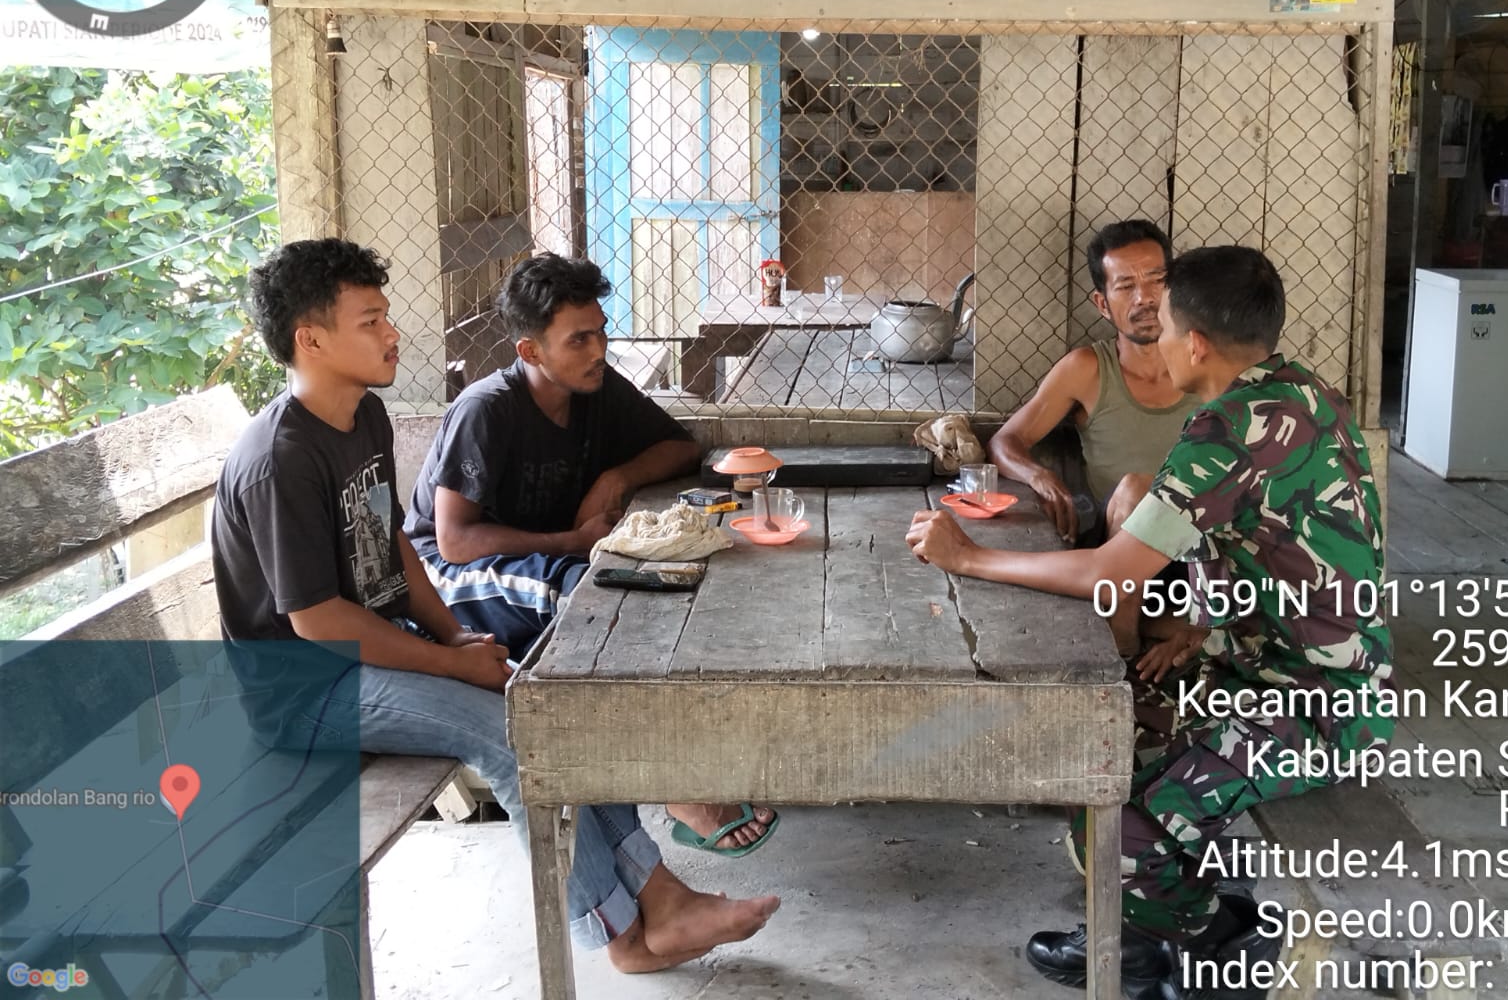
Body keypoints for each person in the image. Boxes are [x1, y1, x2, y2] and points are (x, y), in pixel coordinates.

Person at [211, 238, 780, 973]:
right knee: (511, 735)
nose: (392, 333)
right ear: (310, 339)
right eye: (370, 321)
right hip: (304, 691)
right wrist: (450, 663)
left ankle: (661, 900)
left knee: (553, 705)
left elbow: (395, 546)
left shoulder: (364, 418)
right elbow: (317, 621)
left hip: (375, 650)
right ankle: (624, 936)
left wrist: (456, 636)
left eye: (386, 315)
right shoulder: (280, 459)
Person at [907, 246, 1391, 998]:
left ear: (1194, 344)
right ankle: (1136, 938)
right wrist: (1201, 624)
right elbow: (1268, 544)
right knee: (1091, 736)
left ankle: (1214, 946)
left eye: (1162, 323)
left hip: (1316, 708)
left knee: (1130, 818)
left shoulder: (1228, 430)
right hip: (1259, 669)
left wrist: (967, 557)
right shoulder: (1301, 390)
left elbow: (1110, 573)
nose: (1154, 338)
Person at [404, 251, 778, 857]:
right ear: (530, 351)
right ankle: (674, 787)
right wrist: (572, 543)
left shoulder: (593, 389)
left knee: (653, 588)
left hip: (548, 560)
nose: (598, 349)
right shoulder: (487, 409)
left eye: (601, 332)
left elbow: (682, 447)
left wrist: (614, 478)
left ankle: (688, 762)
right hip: (449, 578)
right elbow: (454, 540)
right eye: (578, 339)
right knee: (590, 598)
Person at [988, 219, 1198, 546]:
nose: (1144, 298)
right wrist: (1039, 477)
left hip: (1200, 544)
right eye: (1126, 286)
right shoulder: (1087, 370)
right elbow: (1004, 442)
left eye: (1157, 280)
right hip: (1120, 543)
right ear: (1103, 304)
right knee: (1135, 491)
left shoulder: (1205, 360)